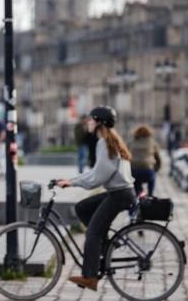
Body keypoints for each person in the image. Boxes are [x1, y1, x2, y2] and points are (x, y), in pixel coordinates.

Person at [55, 106, 136, 291]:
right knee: (82, 208)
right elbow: (97, 173)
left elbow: (98, 177)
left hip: (119, 194)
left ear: (99, 123)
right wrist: (72, 180)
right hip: (119, 192)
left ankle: (90, 277)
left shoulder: (104, 143)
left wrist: (72, 183)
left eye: (91, 119)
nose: (88, 122)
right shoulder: (108, 141)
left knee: (92, 233)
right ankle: (104, 247)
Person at [129, 125, 161, 197]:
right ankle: (150, 195)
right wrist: (155, 170)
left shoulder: (131, 142)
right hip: (147, 171)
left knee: (136, 182)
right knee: (152, 178)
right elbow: (158, 159)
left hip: (134, 171)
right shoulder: (152, 142)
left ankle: (139, 194)